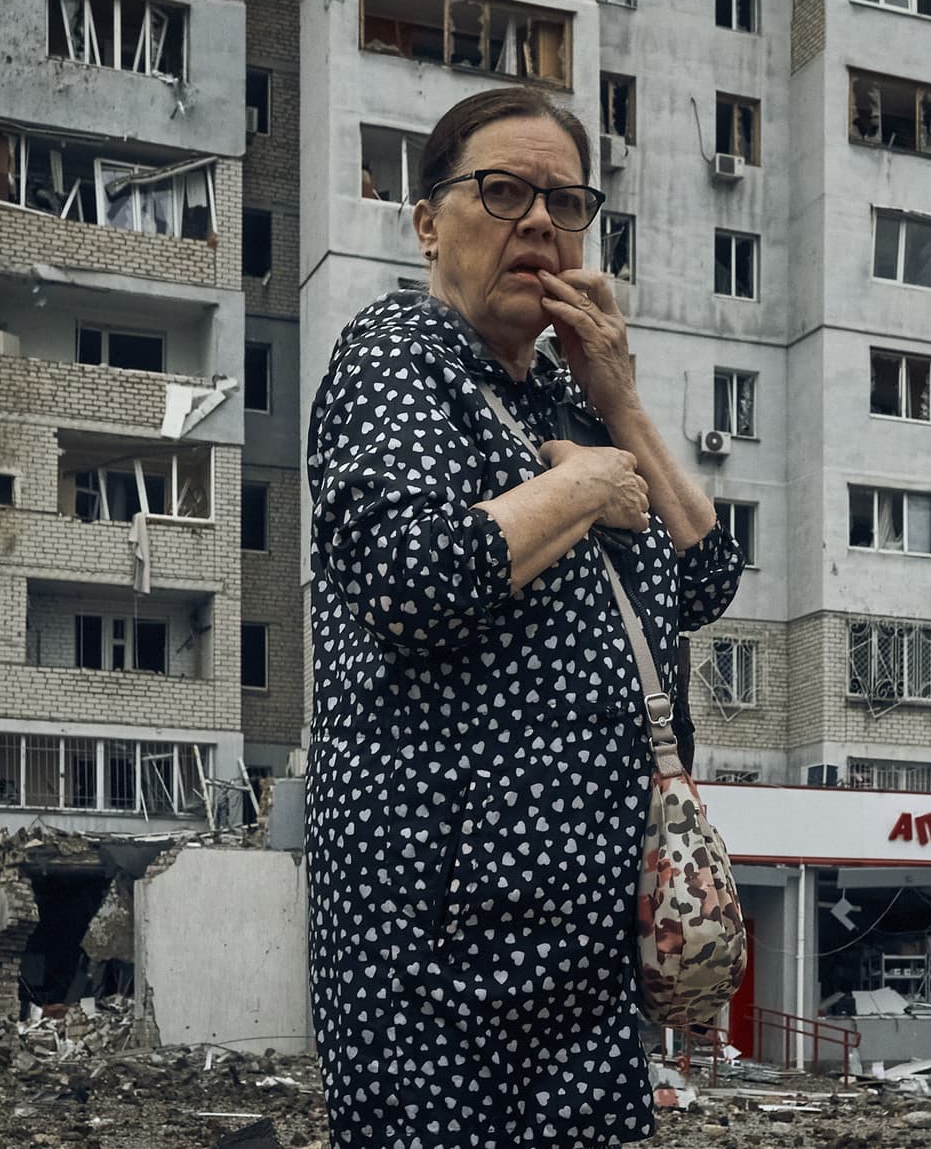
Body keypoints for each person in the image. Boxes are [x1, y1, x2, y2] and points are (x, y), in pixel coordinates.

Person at [304, 87, 745, 1147]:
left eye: (565, 201)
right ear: (427, 221)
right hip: (441, 962)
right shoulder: (398, 356)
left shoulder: (561, 399)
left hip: (584, 967)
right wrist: (587, 488)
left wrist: (618, 398)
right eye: (503, 191)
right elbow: (415, 577)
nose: (540, 222)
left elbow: (705, 579)